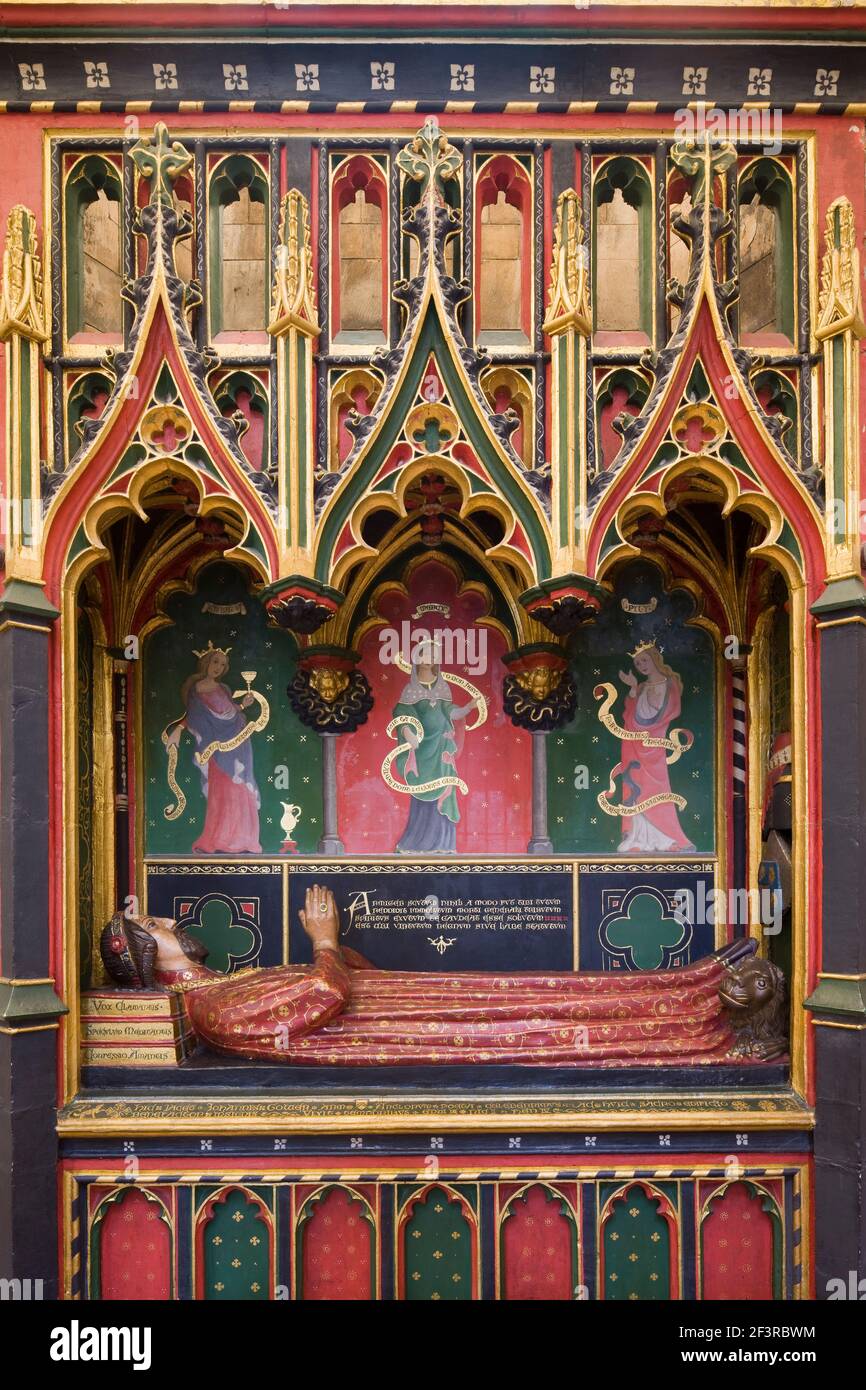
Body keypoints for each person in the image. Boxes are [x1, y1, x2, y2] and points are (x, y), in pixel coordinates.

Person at [100, 888, 760, 1067]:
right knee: (539, 1022)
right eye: (157, 928)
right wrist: (326, 942)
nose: (171, 924)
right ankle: (702, 1021)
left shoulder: (217, 986)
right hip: (385, 1027)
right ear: (147, 960)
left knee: (545, 993)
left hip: (390, 1000)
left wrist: (336, 953)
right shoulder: (210, 1011)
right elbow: (319, 1000)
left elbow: (327, 981)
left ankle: (697, 984)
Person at [164, 642, 261, 854]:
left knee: (240, 789)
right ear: (206, 663)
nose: (218, 667)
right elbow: (196, 717)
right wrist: (179, 730)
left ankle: (243, 839)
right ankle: (219, 839)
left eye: (223, 664)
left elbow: (230, 713)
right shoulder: (196, 690)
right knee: (223, 792)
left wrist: (243, 705)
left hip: (237, 743)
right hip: (216, 747)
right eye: (215, 661)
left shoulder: (224, 689)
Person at [390, 644, 480, 854]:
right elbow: (402, 712)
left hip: (441, 749)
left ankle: (443, 844)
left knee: (445, 792)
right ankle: (415, 844)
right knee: (423, 794)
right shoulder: (410, 689)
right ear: (417, 659)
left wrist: (468, 708)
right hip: (422, 752)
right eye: (424, 654)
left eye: (433, 655)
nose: (429, 658)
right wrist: (408, 732)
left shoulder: (442, 686)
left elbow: (450, 712)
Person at [614, 643, 695, 853]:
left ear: (654, 658)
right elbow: (630, 718)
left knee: (656, 789)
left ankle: (665, 838)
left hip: (655, 745)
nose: (642, 665)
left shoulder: (671, 684)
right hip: (634, 745)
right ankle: (637, 838)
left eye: (644, 660)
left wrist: (648, 708)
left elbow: (664, 714)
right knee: (635, 786)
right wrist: (632, 688)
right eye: (638, 662)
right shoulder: (640, 688)